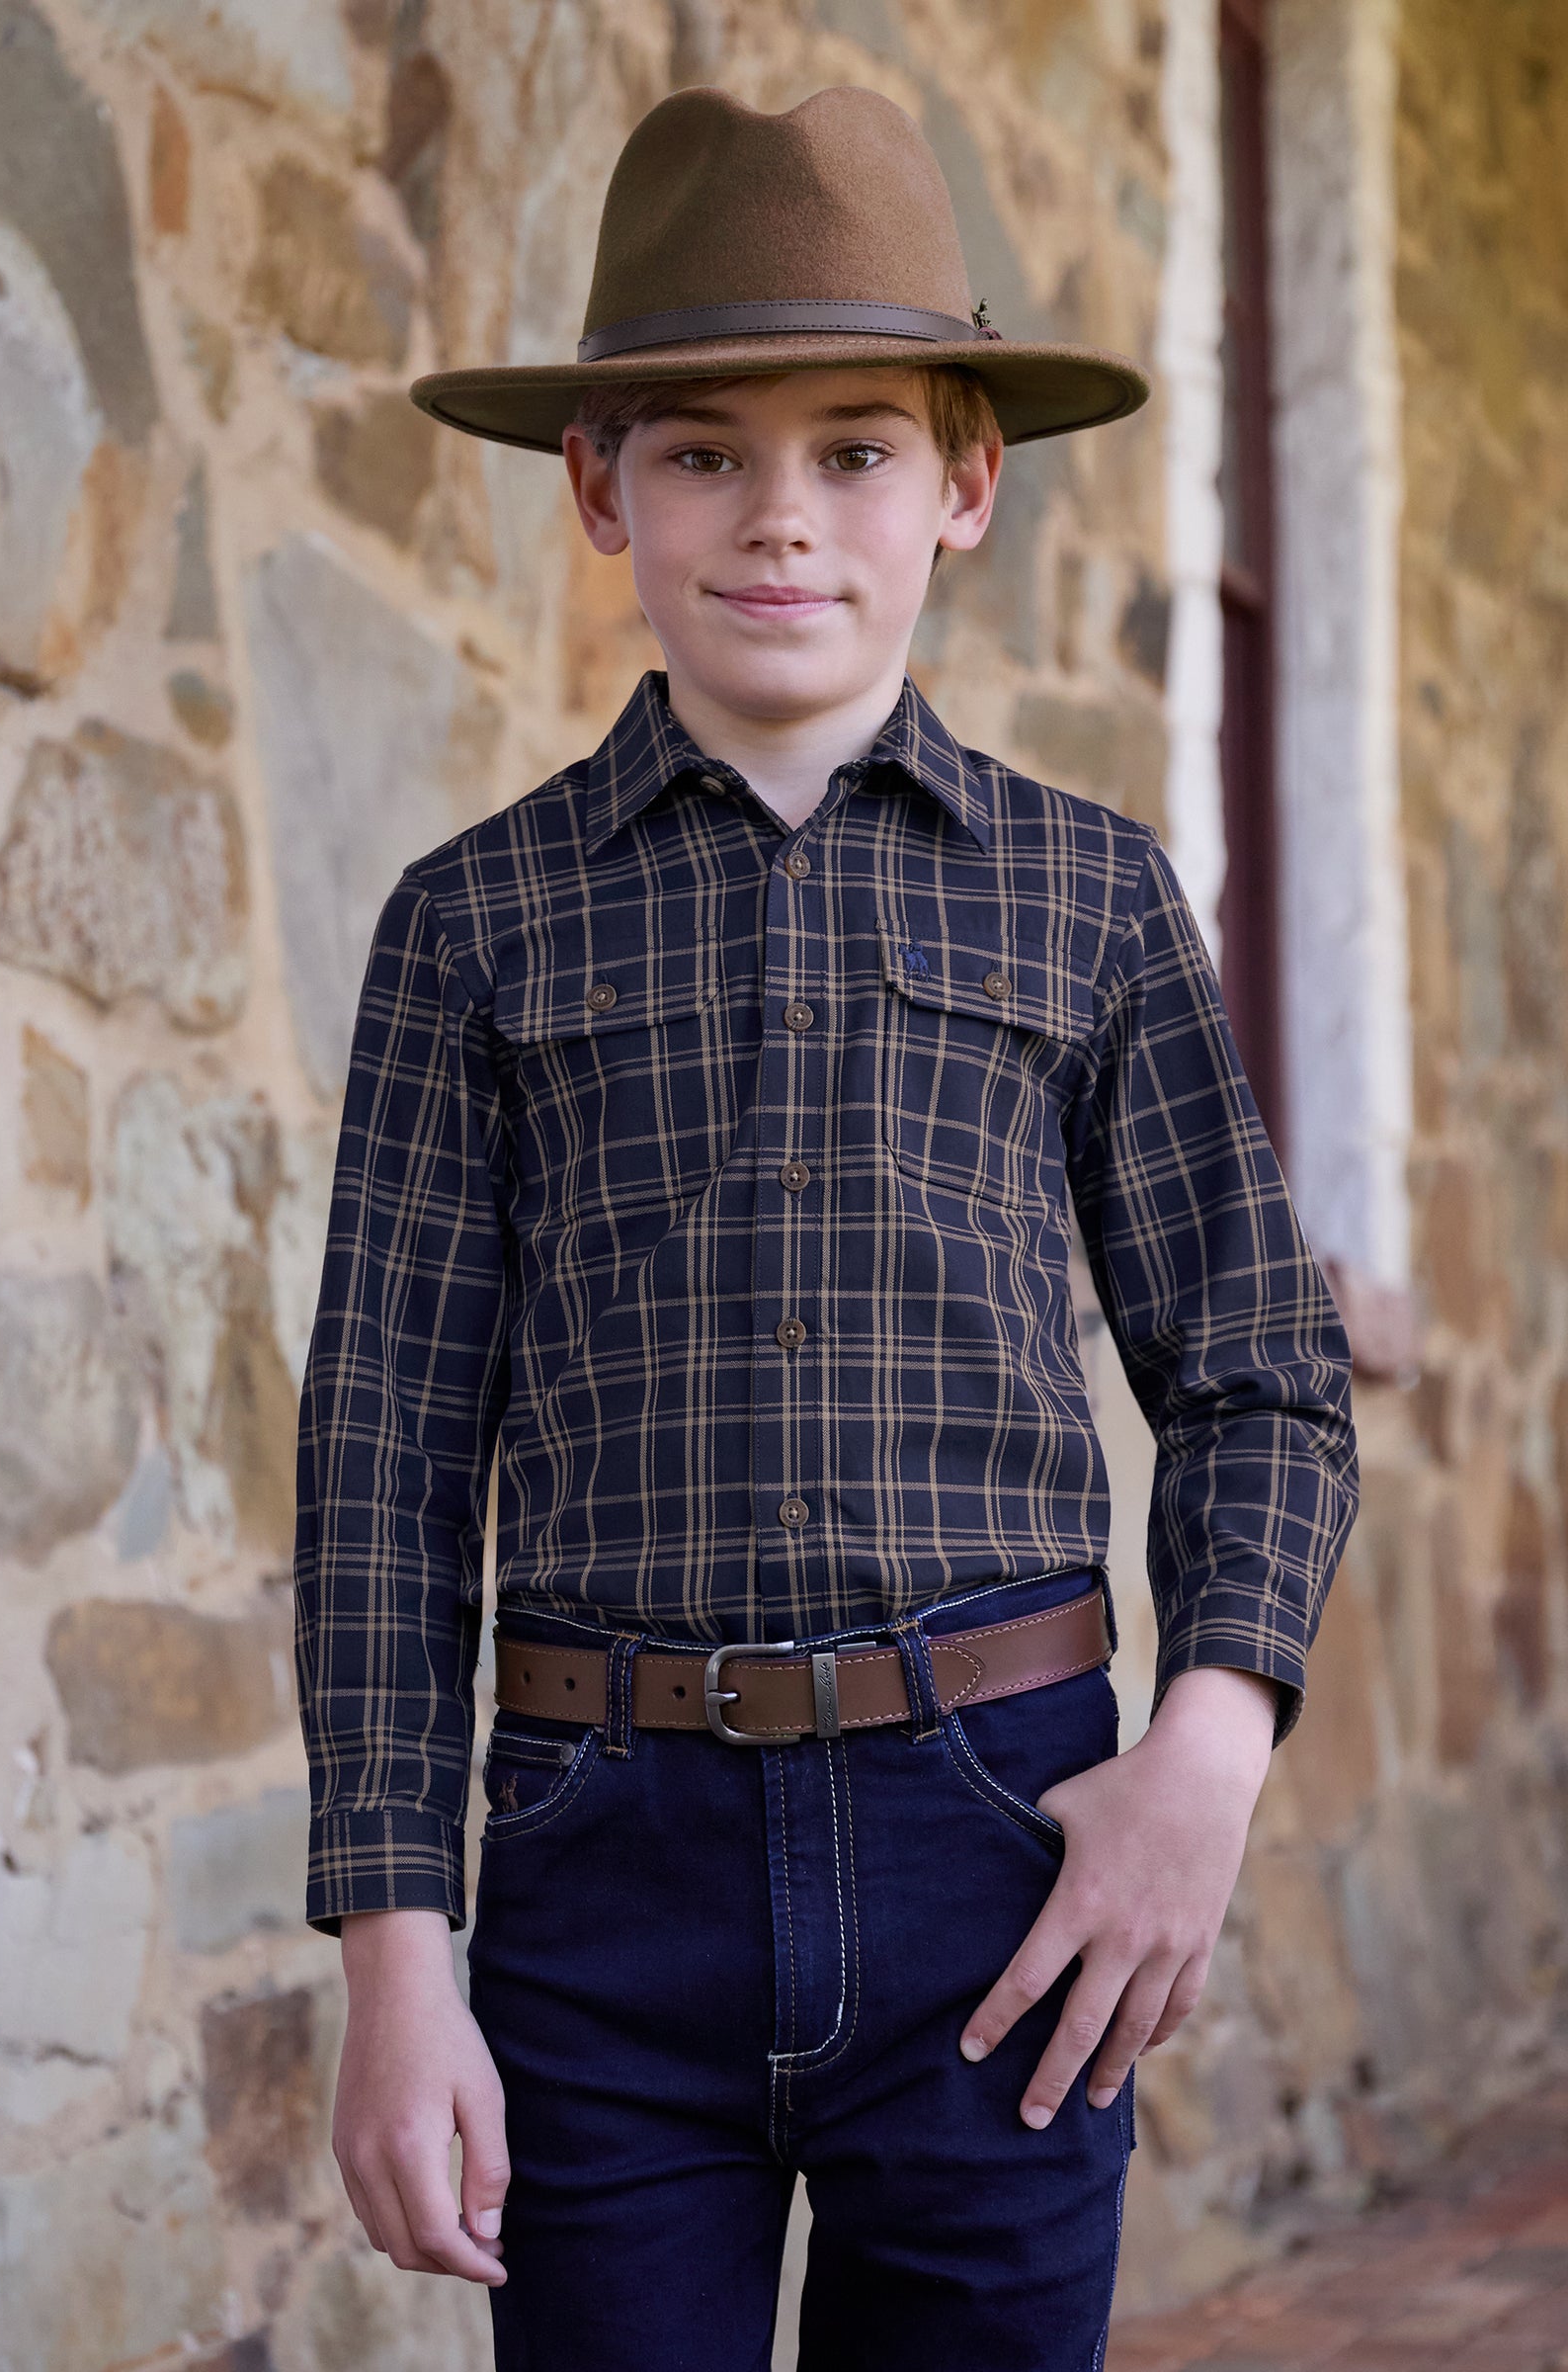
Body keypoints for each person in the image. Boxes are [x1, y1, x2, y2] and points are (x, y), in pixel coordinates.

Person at [293, 82, 1360, 2372]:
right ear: (601, 485)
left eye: (856, 449)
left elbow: (1257, 1365)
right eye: (702, 451)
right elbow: (381, 1465)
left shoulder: (1087, 901)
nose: (780, 518)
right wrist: (397, 1950)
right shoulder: (470, 928)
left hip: (999, 1842)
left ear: (964, 482)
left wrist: (1204, 1748)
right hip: (601, 1870)